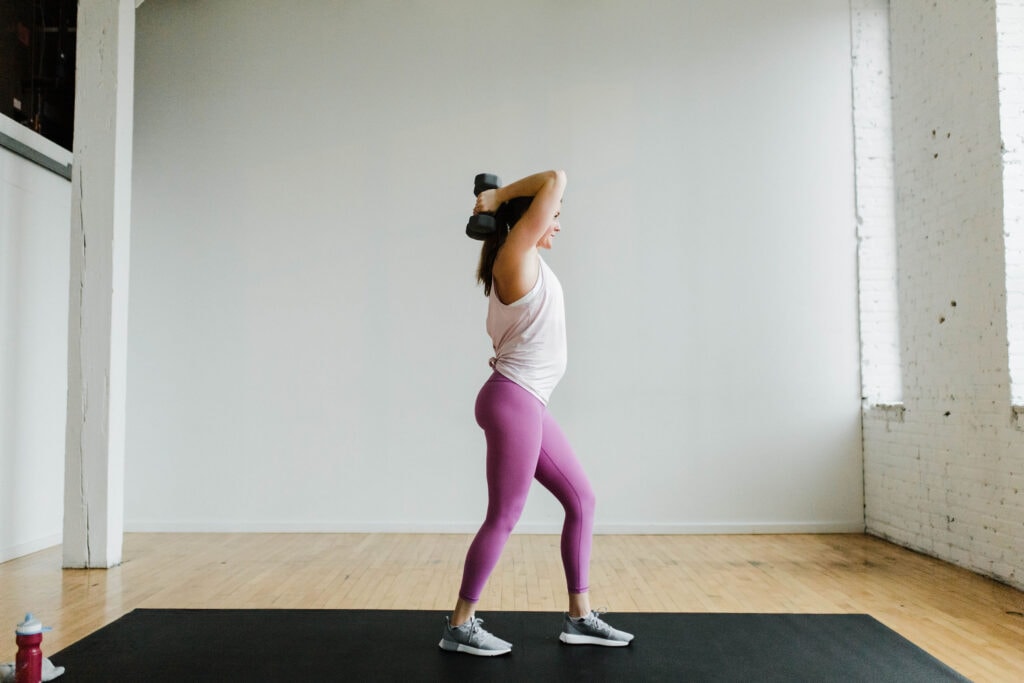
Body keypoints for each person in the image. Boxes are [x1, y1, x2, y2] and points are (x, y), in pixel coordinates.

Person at [438, 170, 634, 656]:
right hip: (514, 400)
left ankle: (580, 617)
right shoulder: (515, 257)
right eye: (554, 218)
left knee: (582, 500)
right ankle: (459, 625)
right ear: (527, 220)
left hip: (525, 402)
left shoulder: (525, 261)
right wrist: (496, 198)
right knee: (505, 514)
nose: (558, 225)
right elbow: (556, 178)